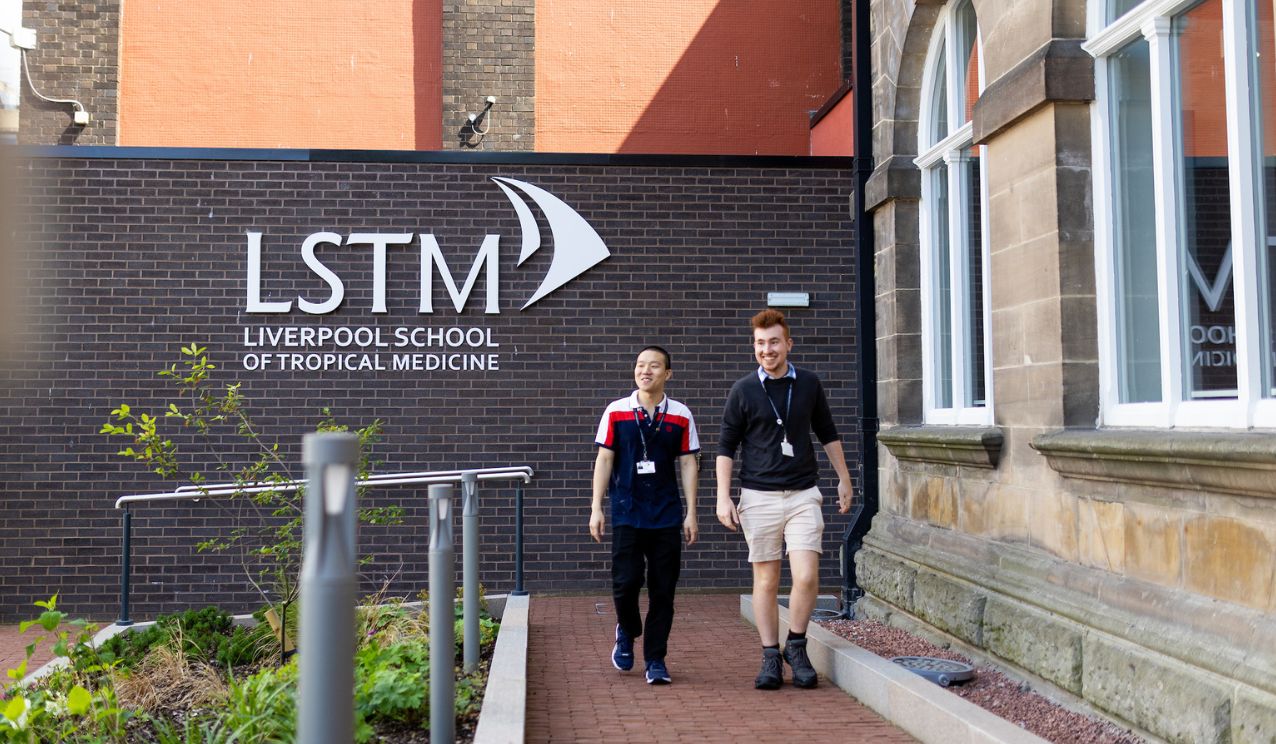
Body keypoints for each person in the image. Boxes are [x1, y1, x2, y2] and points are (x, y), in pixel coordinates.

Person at [715, 309, 853, 690]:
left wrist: (844, 479)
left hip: (803, 494)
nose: (767, 349)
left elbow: (827, 431)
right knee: (767, 579)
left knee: (807, 575)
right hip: (758, 497)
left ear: (788, 344)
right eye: (760, 343)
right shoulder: (743, 390)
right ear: (754, 347)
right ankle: (770, 656)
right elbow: (726, 446)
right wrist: (722, 497)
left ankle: (797, 645)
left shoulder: (808, 383)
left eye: (774, 342)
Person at [591, 345, 700, 685]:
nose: (645, 371)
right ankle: (626, 628)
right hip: (626, 511)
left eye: (654, 366)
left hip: (666, 514)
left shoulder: (681, 414)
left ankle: (655, 659)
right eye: (640, 365)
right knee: (625, 584)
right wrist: (596, 507)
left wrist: (691, 512)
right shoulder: (616, 411)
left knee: (663, 590)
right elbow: (604, 459)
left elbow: (687, 462)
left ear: (668, 374)